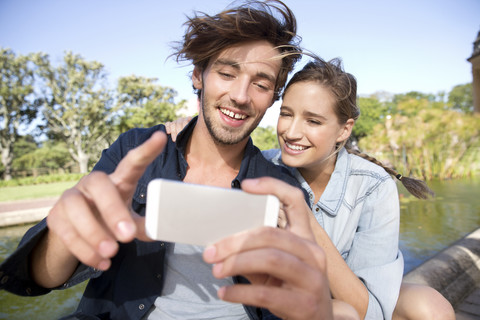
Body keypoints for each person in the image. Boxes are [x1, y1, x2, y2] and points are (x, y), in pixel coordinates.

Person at [0, 2, 336, 319]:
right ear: (197, 76)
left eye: (261, 84)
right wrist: (69, 226)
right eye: (227, 73)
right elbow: (44, 277)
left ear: (272, 97)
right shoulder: (135, 150)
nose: (240, 95)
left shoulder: (283, 189)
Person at [166, 57, 455, 320]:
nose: (291, 132)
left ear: (344, 129)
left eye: (313, 121)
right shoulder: (260, 168)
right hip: (285, 305)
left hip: (348, 300)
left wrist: (306, 224)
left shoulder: (372, 186)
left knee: (430, 307)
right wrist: (190, 131)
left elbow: (373, 312)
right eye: (286, 114)